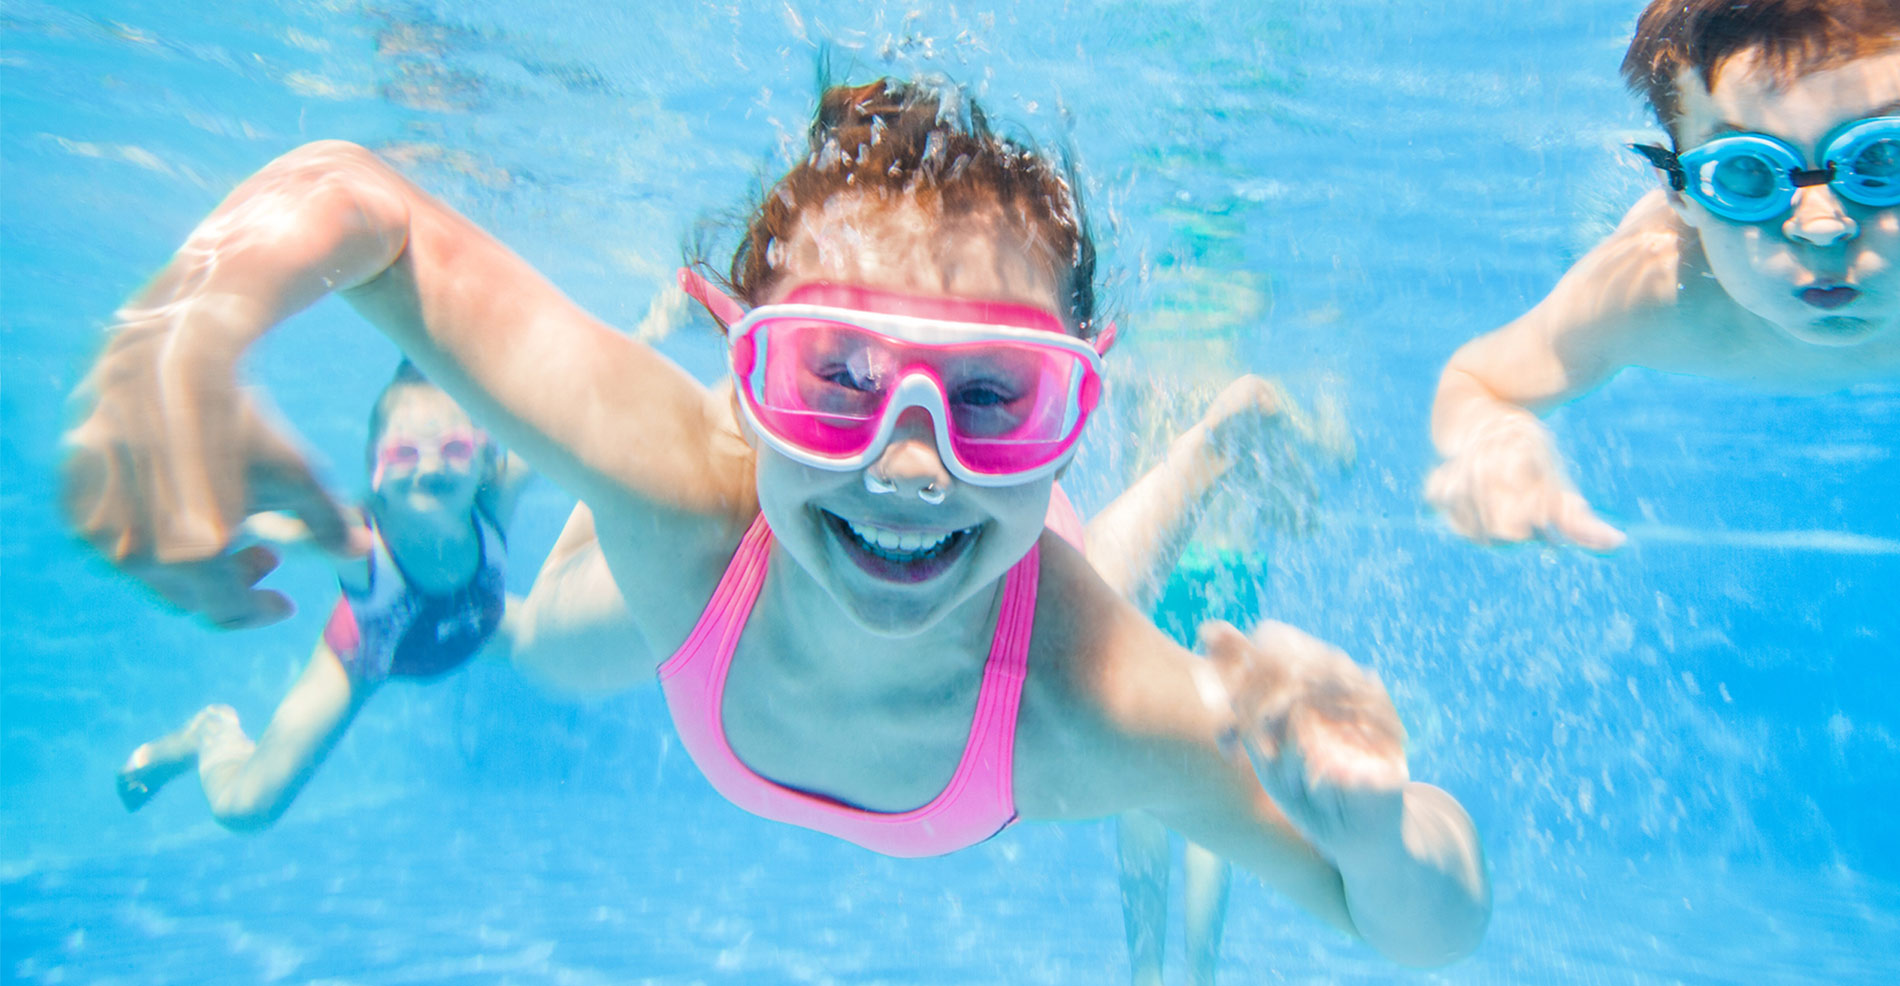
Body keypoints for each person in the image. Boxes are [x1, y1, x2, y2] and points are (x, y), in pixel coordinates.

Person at [62, 77, 1489, 966]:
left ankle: (1210, 434)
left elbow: (1425, 927)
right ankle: (796, 386)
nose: (912, 463)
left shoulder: (1098, 696)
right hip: (698, 591)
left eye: (996, 393)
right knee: (558, 628)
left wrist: (1379, 825)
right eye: (835, 376)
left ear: (1074, 400)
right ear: (745, 381)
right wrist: (177, 332)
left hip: (1000, 667)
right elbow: (357, 204)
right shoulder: (684, 483)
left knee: (1072, 595)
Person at [1427, 0, 1900, 549]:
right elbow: (1477, 384)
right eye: (1746, 171)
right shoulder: (1656, 292)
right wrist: (1497, 441)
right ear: (1680, 192)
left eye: (1883, 156)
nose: (1822, 227)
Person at [114, 364, 531, 830]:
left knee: (589, 635)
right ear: (375, 468)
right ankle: (211, 732)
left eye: (453, 448)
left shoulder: (499, 495)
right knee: (245, 809)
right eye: (404, 453)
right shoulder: (357, 540)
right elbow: (260, 525)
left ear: (487, 456)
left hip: (480, 621)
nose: (429, 466)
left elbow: (575, 420)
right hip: (370, 651)